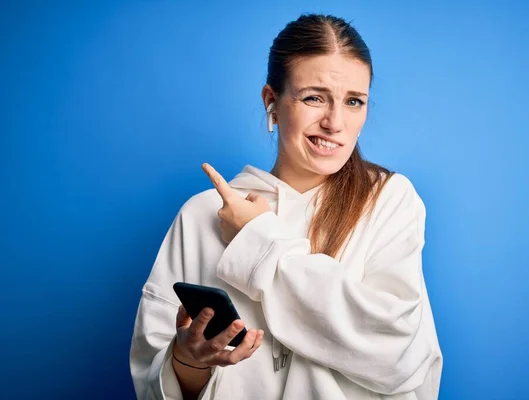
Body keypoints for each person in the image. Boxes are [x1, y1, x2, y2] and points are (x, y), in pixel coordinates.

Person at [129, 13, 443, 400]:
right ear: (271, 102)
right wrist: (189, 362)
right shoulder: (202, 214)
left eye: (354, 102)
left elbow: (399, 355)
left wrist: (257, 239)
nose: (335, 122)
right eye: (314, 98)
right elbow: (151, 382)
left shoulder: (388, 200)